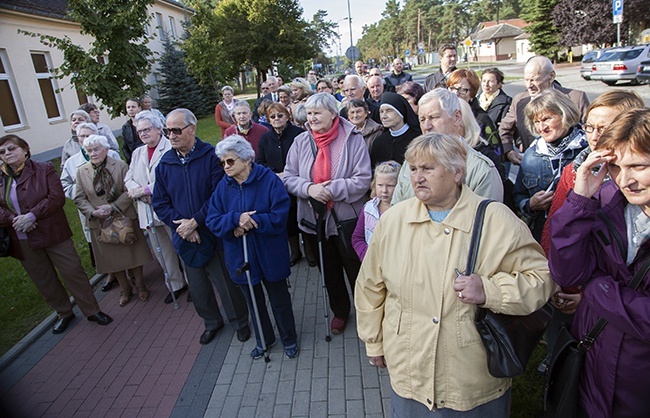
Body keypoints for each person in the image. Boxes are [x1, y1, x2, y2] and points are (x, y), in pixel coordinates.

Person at [356, 132, 552, 416]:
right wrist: (373, 341)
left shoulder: (496, 219)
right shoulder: (394, 221)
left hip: (471, 376)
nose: (417, 177)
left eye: (428, 168)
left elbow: (540, 280)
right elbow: (370, 286)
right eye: (413, 169)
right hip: (410, 369)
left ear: (457, 171)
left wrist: (490, 291)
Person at [549, 108, 650, 418]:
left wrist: (597, 290)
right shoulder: (606, 200)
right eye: (616, 167)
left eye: (639, 166)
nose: (626, 180)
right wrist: (581, 199)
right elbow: (567, 271)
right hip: (595, 365)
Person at [153, 108, 250, 345]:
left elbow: (219, 195)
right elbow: (160, 202)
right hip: (185, 237)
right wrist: (183, 227)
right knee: (198, 288)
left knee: (226, 284)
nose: (172, 136)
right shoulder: (164, 164)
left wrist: (196, 221)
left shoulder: (211, 157)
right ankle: (212, 323)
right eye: (168, 131)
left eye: (177, 130)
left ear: (192, 129)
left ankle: (240, 322)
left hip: (213, 233)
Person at [0, 135, 113, 334]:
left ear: (25, 149)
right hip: (22, 237)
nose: (7, 154)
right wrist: (14, 220)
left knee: (73, 272)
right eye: (2, 152)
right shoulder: (1, 179)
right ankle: (64, 313)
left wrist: (32, 215)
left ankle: (92, 310)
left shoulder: (44, 169)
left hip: (53, 232)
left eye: (11, 148)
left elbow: (56, 197)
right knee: (43, 279)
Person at [283, 93, 372, 335]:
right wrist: (309, 188)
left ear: (333, 114)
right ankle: (340, 312)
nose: (311, 118)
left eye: (317, 113)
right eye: (309, 114)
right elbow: (288, 177)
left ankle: (367, 313)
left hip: (347, 220)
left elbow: (363, 180)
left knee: (357, 270)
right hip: (314, 221)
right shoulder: (301, 142)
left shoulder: (353, 139)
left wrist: (329, 190)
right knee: (329, 271)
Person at [206, 135, 299, 360]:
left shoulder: (269, 180)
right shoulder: (223, 186)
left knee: (279, 300)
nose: (225, 167)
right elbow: (212, 219)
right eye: (222, 162)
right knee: (253, 301)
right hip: (240, 255)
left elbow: (279, 216)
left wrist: (250, 224)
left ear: (247, 160)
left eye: (230, 161)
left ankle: (289, 338)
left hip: (269, 252)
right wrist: (235, 221)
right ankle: (264, 340)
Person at [541, 90, 646, 255]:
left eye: (603, 128)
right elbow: (552, 234)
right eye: (589, 127)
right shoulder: (574, 171)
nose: (594, 136)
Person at [74, 135, 152, 307]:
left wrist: (114, 206)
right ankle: (125, 290)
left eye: (96, 149)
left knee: (134, 255)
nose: (92, 154)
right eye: (89, 151)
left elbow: (129, 189)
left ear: (106, 149)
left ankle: (140, 286)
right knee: (112, 259)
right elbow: (79, 198)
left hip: (123, 216)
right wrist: (93, 211)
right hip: (100, 222)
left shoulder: (120, 165)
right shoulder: (82, 171)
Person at [392, 89, 504, 204]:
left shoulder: (480, 170)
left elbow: (487, 218)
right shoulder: (411, 162)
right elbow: (395, 211)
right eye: (422, 119)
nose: (427, 126)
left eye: (434, 117)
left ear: (457, 117)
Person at [125, 111, 188, 304]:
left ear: (159, 128)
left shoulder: (170, 147)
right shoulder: (137, 152)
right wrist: (135, 190)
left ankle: (194, 283)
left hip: (169, 208)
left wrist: (144, 190)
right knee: (162, 251)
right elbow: (128, 178)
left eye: (146, 129)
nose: (142, 134)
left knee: (182, 248)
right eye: (139, 131)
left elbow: (172, 178)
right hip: (147, 211)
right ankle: (176, 284)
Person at [514, 89, 588, 242]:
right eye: (536, 122)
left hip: (583, 237)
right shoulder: (531, 155)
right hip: (543, 237)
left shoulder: (587, 151)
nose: (542, 127)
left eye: (547, 119)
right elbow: (518, 195)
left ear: (564, 114)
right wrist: (530, 204)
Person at [60, 123, 121, 291]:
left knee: (123, 240)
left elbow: (123, 177)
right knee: (102, 246)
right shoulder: (73, 163)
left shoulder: (112, 155)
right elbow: (65, 185)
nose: (86, 139)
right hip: (91, 211)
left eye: (89, 135)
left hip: (115, 208)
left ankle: (130, 274)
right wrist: (87, 197)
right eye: (82, 136)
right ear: (78, 139)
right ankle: (112, 275)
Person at [499, 56, 589, 165]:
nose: (529, 85)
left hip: (570, 167)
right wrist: (508, 151)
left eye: (534, 80)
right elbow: (504, 129)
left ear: (551, 76)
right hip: (531, 167)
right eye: (526, 80)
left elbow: (591, 130)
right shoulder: (519, 100)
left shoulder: (576, 98)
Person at [256, 102, 306, 266]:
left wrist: (291, 173)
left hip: (299, 182)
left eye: (280, 115)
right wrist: (274, 174)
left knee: (303, 217)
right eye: (273, 117)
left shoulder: (299, 134)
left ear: (287, 117)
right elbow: (260, 161)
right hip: (277, 186)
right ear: (269, 120)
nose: (277, 119)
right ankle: (295, 252)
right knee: (288, 221)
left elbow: (306, 159)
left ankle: (311, 252)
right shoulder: (265, 138)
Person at [447, 69, 503, 160]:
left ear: (472, 95)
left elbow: (497, 155)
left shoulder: (481, 120)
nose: (455, 93)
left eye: (462, 90)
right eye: (452, 88)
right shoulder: (444, 115)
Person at [351, 160, 400, 261]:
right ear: (374, 185)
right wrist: (366, 256)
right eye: (380, 185)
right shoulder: (368, 208)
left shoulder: (403, 212)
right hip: (371, 265)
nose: (384, 190)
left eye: (390, 185)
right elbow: (357, 238)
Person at [370, 92, 421, 168]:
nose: (383, 116)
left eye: (389, 110)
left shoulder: (418, 139)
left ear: (401, 112)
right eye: (381, 111)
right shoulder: (379, 142)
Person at [121, 98, 143, 164]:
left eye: (133, 107)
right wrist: (130, 161)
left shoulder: (147, 123)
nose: (131, 109)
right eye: (128, 107)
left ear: (139, 108)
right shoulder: (125, 127)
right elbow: (125, 147)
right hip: (134, 161)